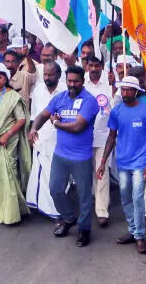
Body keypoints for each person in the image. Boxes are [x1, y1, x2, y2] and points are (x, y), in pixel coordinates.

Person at [29, 65, 99, 248]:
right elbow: (43, 115)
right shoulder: (60, 98)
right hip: (60, 155)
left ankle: (84, 229)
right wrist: (34, 128)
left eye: (76, 81)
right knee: (55, 189)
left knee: (84, 196)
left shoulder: (89, 101)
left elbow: (78, 127)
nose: (72, 84)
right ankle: (68, 218)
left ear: (83, 81)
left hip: (81, 157)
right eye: (69, 81)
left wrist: (57, 123)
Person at [97, 76, 146, 254]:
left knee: (138, 197)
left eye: (128, 90)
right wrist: (103, 162)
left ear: (136, 92)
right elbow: (111, 137)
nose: (124, 93)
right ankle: (133, 229)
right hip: (122, 161)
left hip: (140, 162)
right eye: (122, 89)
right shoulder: (116, 111)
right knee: (125, 197)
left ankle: (140, 236)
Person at [0, 63, 31, 225]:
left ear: (6, 78)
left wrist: (8, 134)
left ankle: (12, 213)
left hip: (7, 140)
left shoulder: (12, 96)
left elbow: (22, 119)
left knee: (9, 174)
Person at [26, 61, 66, 218]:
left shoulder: (64, 90)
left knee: (56, 175)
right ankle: (48, 207)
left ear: (59, 75)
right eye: (45, 74)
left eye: (51, 74)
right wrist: (31, 131)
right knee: (41, 172)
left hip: (60, 138)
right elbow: (35, 114)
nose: (47, 77)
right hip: (41, 137)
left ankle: (55, 206)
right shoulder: (38, 90)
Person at [85, 56, 113, 227]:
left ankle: (102, 210)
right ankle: (90, 204)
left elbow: (115, 108)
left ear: (102, 66)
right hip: (84, 137)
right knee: (85, 174)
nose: (94, 68)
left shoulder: (109, 84)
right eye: (91, 65)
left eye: (97, 65)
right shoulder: (82, 85)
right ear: (86, 66)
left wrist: (115, 87)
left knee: (101, 173)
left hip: (104, 137)